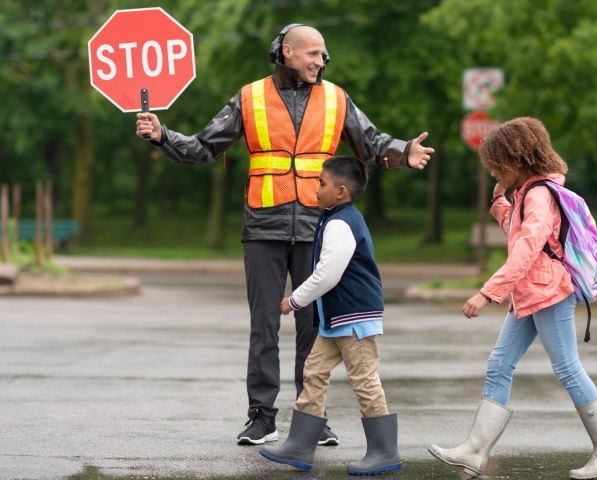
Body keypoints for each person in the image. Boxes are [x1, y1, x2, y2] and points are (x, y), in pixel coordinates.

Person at [135, 23, 433, 445]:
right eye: (313, 53)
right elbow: (204, 147)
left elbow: (371, 142)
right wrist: (163, 135)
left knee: (316, 327)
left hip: (318, 226)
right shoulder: (250, 96)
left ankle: (313, 417)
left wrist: (405, 151)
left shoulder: (336, 98)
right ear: (286, 52)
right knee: (264, 325)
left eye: (324, 55)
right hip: (263, 226)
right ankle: (261, 417)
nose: (321, 61)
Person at [427, 117, 597, 479]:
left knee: (567, 367)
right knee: (499, 365)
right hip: (529, 294)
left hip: (547, 292)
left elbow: (527, 250)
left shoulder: (538, 194)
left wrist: (488, 293)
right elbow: (518, 233)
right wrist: (499, 199)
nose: (492, 173)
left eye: (495, 167)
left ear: (515, 161)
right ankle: (474, 451)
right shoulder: (528, 193)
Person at [259, 156, 401, 474]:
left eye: (321, 183)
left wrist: (295, 300)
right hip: (337, 319)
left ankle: (384, 451)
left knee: (364, 379)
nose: (316, 187)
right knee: (314, 371)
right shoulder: (333, 217)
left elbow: (328, 274)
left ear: (340, 192)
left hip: (354, 316)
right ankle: (299, 444)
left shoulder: (341, 222)